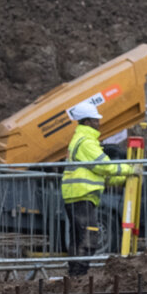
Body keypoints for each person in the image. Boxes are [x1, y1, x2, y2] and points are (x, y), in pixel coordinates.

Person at [60, 102, 132, 277]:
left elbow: (97, 170)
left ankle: (75, 275)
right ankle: (79, 274)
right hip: (82, 195)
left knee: (78, 237)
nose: (99, 123)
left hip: (78, 195)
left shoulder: (82, 139)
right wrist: (130, 169)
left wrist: (122, 178)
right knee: (88, 237)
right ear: (87, 122)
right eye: (95, 120)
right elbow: (104, 166)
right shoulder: (86, 142)